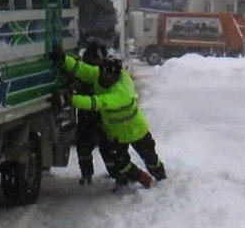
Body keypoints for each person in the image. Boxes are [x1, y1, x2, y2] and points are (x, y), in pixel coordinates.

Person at [52, 46, 166, 189]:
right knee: (122, 165)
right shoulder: (100, 74)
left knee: (151, 160)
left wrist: (71, 99)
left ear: (117, 75)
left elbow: (96, 102)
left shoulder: (122, 91)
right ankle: (143, 180)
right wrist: (64, 60)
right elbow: (82, 69)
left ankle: (162, 181)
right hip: (116, 134)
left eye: (110, 77)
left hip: (135, 131)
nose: (106, 79)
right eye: (104, 74)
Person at [69, 41, 114, 185]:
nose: (98, 63)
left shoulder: (106, 73)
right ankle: (88, 174)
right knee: (86, 146)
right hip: (88, 116)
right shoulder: (87, 72)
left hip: (99, 116)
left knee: (105, 146)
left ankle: (111, 172)